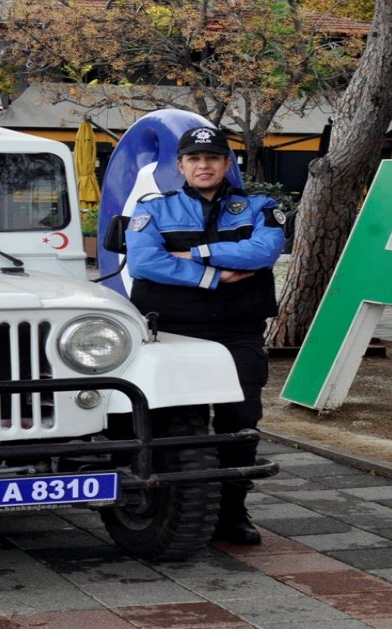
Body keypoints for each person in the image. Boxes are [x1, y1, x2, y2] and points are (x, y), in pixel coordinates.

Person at [124, 126, 285, 545]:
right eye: (194, 159)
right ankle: (169, 508)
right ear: (180, 166)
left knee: (240, 424)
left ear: (227, 164)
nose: (204, 165)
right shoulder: (154, 209)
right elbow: (144, 263)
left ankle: (233, 512)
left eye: (212, 158)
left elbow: (264, 252)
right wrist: (213, 275)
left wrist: (195, 253)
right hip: (173, 333)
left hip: (238, 333)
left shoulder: (258, 206)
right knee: (171, 423)